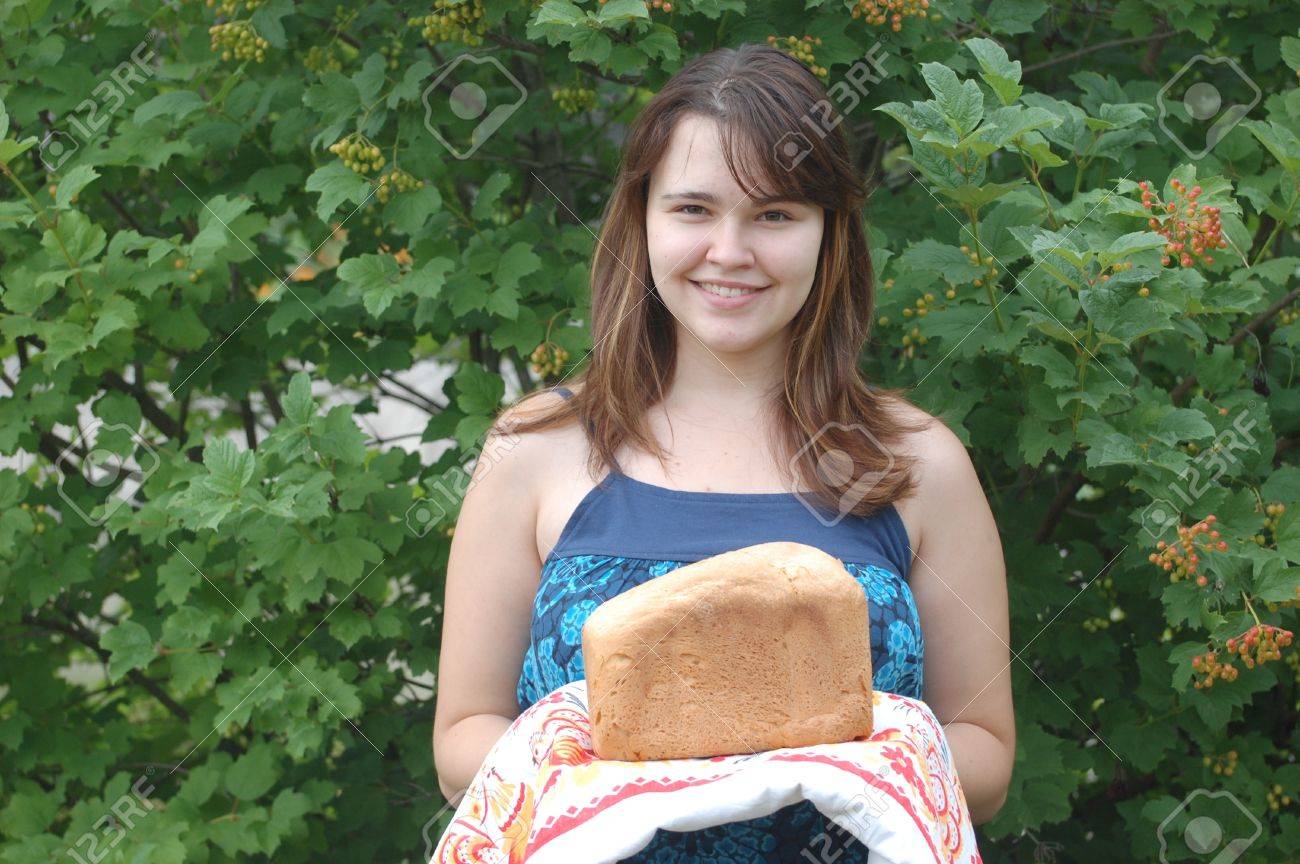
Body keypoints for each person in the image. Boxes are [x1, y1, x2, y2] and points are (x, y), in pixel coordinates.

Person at [433, 42, 1014, 861]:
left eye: (775, 215)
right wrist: (609, 775)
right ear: (642, 219)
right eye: (694, 210)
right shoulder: (537, 449)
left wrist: (835, 764)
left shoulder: (917, 463)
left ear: (828, 235)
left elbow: (985, 754)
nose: (730, 252)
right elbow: (462, 737)